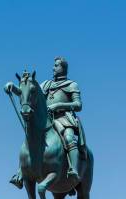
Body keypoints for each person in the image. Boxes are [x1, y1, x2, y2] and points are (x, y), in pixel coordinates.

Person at [5, 56, 87, 188]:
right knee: (30, 138)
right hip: (47, 119)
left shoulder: (71, 85)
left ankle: (74, 170)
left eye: (56, 65)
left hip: (64, 119)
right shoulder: (47, 84)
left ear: (63, 68)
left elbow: (78, 105)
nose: (53, 68)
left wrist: (59, 105)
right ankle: (20, 173)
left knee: (69, 137)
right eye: (54, 66)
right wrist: (13, 87)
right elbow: (29, 91)